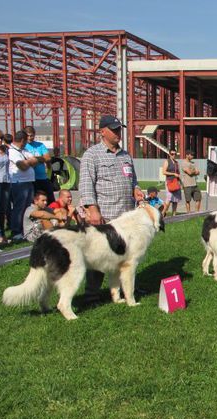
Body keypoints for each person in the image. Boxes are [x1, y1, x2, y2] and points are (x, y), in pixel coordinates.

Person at [79, 115, 143, 300]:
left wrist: (136, 190)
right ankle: (91, 293)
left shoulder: (125, 155)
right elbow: (86, 185)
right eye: (114, 130)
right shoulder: (92, 154)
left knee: (127, 256)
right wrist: (93, 210)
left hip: (126, 217)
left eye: (119, 129)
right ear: (102, 132)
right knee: (98, 256)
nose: (118, 133)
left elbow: (133, 181)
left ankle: (127, 289)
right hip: (105, 216)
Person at [8, 130, 39, 242]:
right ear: (22, 140)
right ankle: (16, 232)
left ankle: (26, 230)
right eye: (26, 141)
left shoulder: (24, 150)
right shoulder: (12, 151)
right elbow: (22, 166)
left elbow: (37, 160)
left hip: (29, 181)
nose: (27, 143)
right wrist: (29, 161)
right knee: (19, 208)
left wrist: (28, 161)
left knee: (28, 208)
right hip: (19, 182)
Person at [24, 126, 54, 204]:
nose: (30, 138)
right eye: (28, 136)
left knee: (50, 199)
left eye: (31, 136)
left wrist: (34, 159)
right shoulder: (23, 146)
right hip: (31, 178)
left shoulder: (40, 145)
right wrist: (41, 158)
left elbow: (47, 158)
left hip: (43, 177)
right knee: (35, 201)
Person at [162, 148, 182, 217]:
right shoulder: (167, 161)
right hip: (169, 182)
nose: (174, 155)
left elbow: (178, 172)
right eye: (172, 154)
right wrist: (173, 174)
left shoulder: (176, 162)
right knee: (169, 198)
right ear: (169, 154)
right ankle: (163, 213)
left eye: (175, 154)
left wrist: (180, 181)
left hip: (176, 182)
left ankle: (174, 215)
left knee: (175, 200)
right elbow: (164, 172)